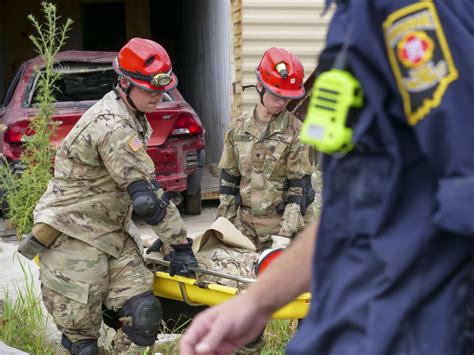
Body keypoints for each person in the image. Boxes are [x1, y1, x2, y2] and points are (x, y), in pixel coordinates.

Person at [180, 1, 474, 354]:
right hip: (352, 315)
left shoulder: (413, 15)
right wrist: (256, 302)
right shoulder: (353, 21)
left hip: (414, 322)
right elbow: (352, 210)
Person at [27, 38, 198, 354]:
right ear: (125, 83)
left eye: (161, 90)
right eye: (150, 90)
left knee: (143, 315)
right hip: (73, 235)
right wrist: (179, 244)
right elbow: (147, 200)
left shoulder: (130, 114)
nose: (158, 97)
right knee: (83, 344)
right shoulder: (112, 124)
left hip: (111, 232)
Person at [217, 47, 316, 253]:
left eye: (287, 98)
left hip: (284, 228)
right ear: (260, 87)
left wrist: (284, 236)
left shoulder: (297, 133)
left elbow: (299, 191)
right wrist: (222, 227)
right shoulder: (237, 129)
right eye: (276, 96)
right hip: (245, 228)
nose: (282, 103)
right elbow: (229, 184)